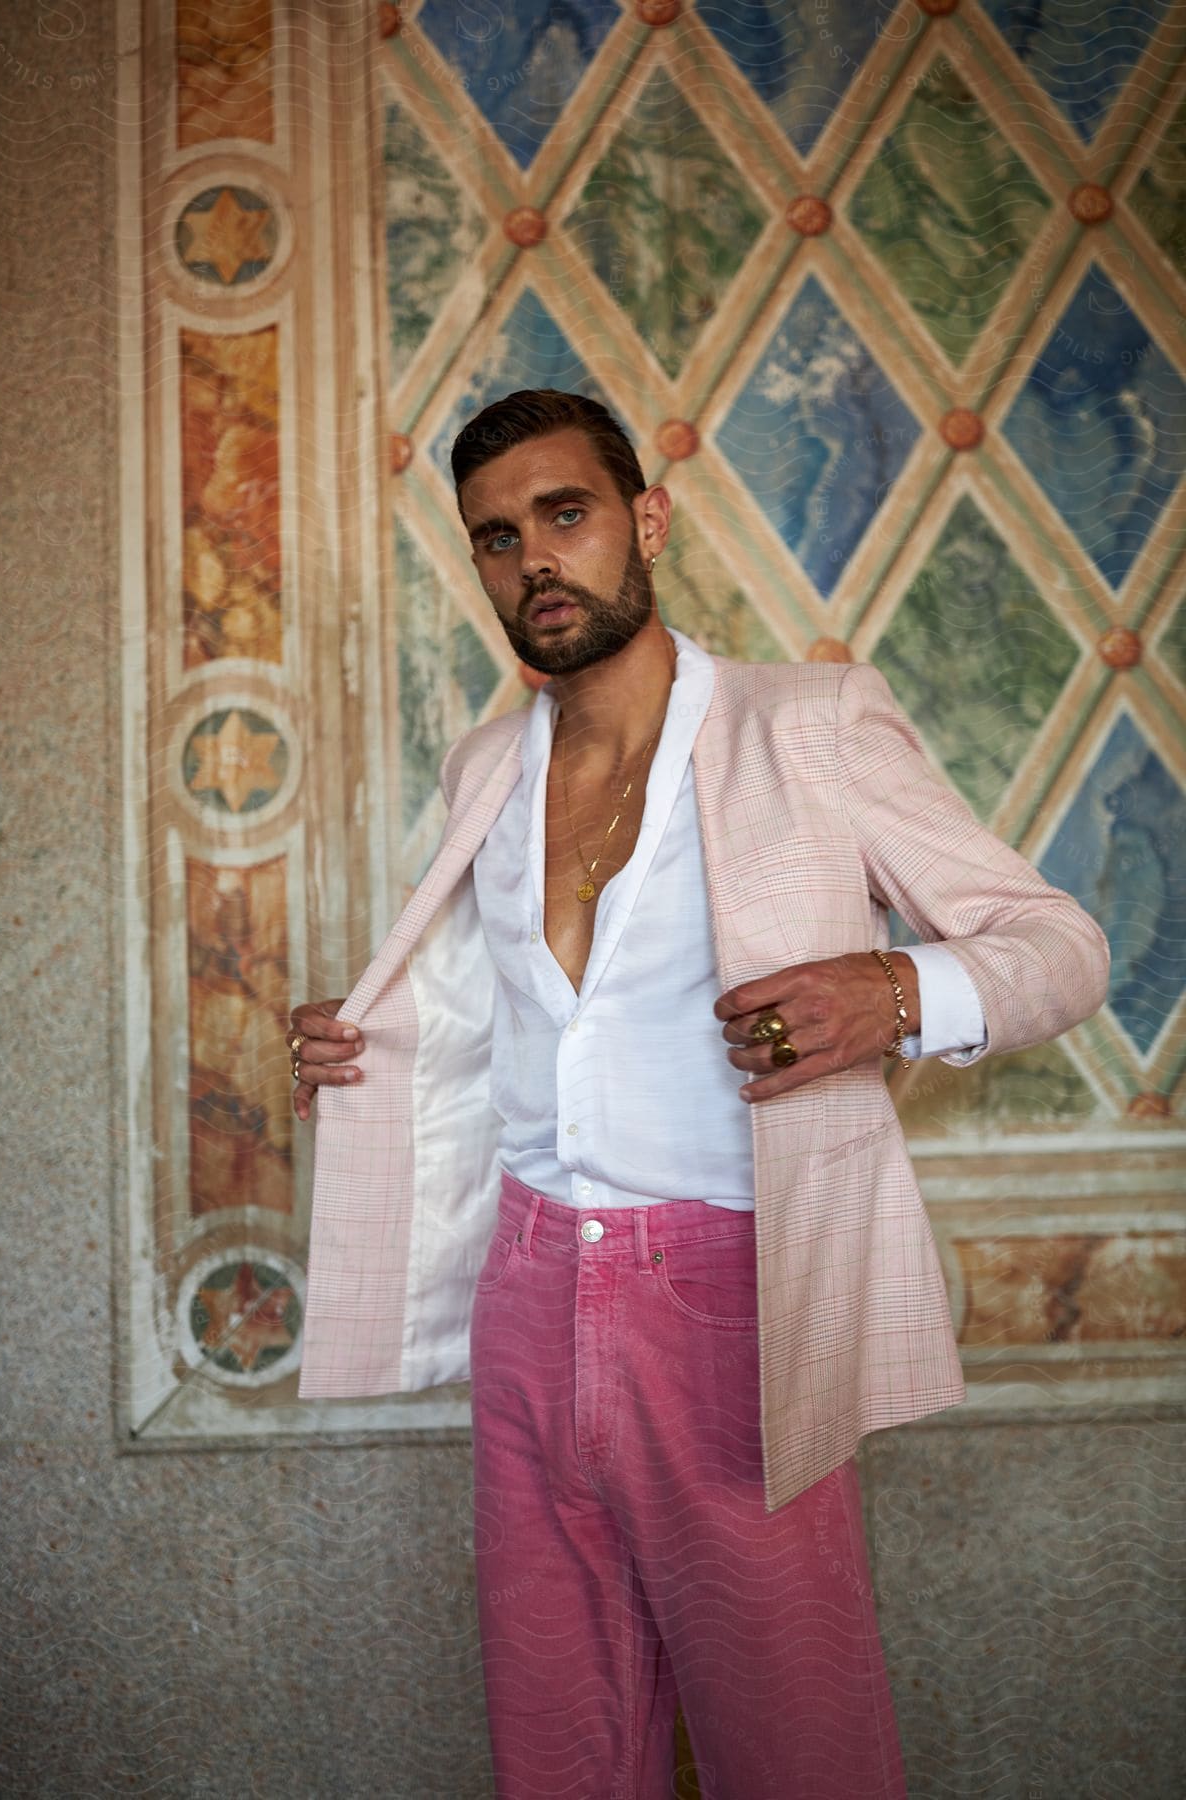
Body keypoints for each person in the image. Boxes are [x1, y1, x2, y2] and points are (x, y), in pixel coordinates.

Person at [287, 389, 1110, 1799]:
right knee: (561, 1755)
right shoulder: (486, 767)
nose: (534, 561)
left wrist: (899, 995)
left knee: (798, 1753)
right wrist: (366, 1045)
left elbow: (1064, 949)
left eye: (566, 515)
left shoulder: (810, 721)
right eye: (497, 539)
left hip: (732, 1301)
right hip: (530, 1299)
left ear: (644, 521)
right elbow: (499, 1028)